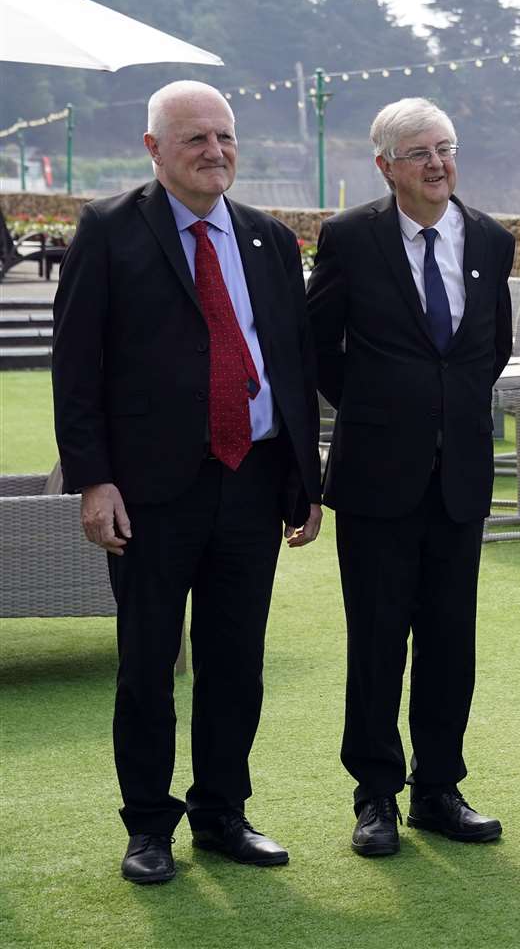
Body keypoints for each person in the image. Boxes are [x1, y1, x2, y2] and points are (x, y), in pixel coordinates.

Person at [52, 80, 322, 884]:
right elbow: (77, 369)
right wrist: (94, 482)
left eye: (225, 137)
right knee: (145, 668)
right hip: (151, 493)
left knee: (237, 662)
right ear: (154, 150)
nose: (215, 152)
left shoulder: (271, 239)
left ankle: (222, 816)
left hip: (254, 479)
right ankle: (147, 829)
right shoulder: (107, 230)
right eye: (195, 139)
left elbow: (291, 364)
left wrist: (304, 479)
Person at [306, 98, 515, 856]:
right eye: (419, 152)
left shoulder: (490, 238)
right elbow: (317, 346)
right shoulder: (350, 239)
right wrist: (379, 407)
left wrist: (441, 412)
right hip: (374, 477)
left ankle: (437, 789)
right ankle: (375, 797)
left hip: (458, 476)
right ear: (385, 165)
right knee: (377, 642)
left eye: (446, 148)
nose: (437, 163)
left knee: (450, 642)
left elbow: (486, 350)